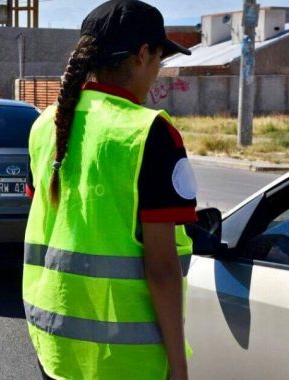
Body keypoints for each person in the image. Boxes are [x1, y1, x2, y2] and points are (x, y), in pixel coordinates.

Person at [22, 1, 197, 380]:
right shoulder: (149, 133)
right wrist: (179, 369)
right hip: (124, 359)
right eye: (159, 60)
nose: (157, 73)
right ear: (142, 54)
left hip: (53, 343)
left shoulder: (43, 126)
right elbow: (163, 269)